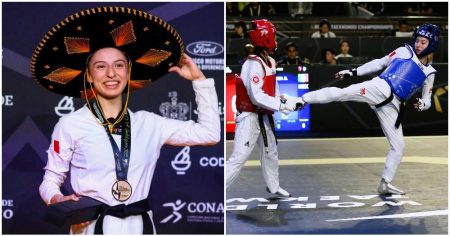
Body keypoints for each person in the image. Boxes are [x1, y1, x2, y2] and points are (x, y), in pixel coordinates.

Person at [33, 7, 220, 234]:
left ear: (128, 72)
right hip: (90, 228)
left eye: (119, 65)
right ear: (89, 76)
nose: (111, 73)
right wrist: (57, 200)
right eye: (100, 67)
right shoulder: (70, 125)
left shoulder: (150, 124)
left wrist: (199, 81)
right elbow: (50, 179)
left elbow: (210, 134)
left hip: (140, 228)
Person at [295, 23, 440, 195]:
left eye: (423, 42)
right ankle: (301, 99)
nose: (418, 44)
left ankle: (385, 183)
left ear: (431, 45)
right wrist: (353, 72)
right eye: (417, 40)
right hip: (378, 88)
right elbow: (379, 63)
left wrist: (423, 105)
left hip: (393, 106)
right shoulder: (404, 51)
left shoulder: (430, 73)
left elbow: (427, 100)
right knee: (342, 93)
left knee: (399, 146)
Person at [226, 19, 297, 198]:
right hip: (249, 117)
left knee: (270, 151)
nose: (275, 39)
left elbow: (273, 90)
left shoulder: (271, 61)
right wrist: (281, 106)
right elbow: (256, 96)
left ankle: (273, 187)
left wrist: (285, 103)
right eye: (273, 35)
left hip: (264, 115)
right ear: (265, 38)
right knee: (239, 157)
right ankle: (217, 192)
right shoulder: (252, 65)